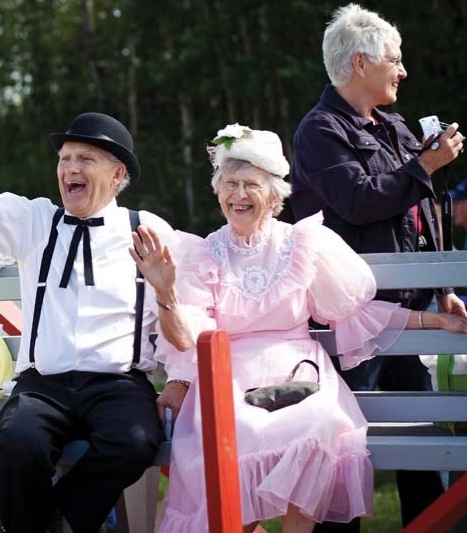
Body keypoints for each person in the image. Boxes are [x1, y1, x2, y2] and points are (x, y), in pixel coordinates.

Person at [131, 124, 467, 533]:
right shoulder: (201, 254)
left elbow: (356, 313)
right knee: (237, 433)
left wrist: (434, 318)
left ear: (274, 195)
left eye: (250, 184)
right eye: (229, 184)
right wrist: (166, 292)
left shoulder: (305, 243)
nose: (238, 195)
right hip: (225, 380)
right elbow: (187, 340)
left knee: (322, 424)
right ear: (217, 191)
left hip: (299, 373)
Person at [0, 74, 188, 533]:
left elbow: (184, 310)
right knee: (17, 444)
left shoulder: (148, 229)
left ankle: (55, 520)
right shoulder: (36, 221)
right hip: (45, 385)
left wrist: (178, 376)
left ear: (118, 174)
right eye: (64, 159)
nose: (69, 169)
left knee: (137, 441)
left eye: (84, 159)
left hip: (118, 384)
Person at [290, 4, 467, 529]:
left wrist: (440, 286)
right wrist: (426, 164)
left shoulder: (393, 124)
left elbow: (425, 210)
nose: (404, 70)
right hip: (352, 320)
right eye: (396, 59)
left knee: (423, 447)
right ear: (361, 63)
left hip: (410, 313)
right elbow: (359, 202)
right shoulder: (319, 130)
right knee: (339, 449)